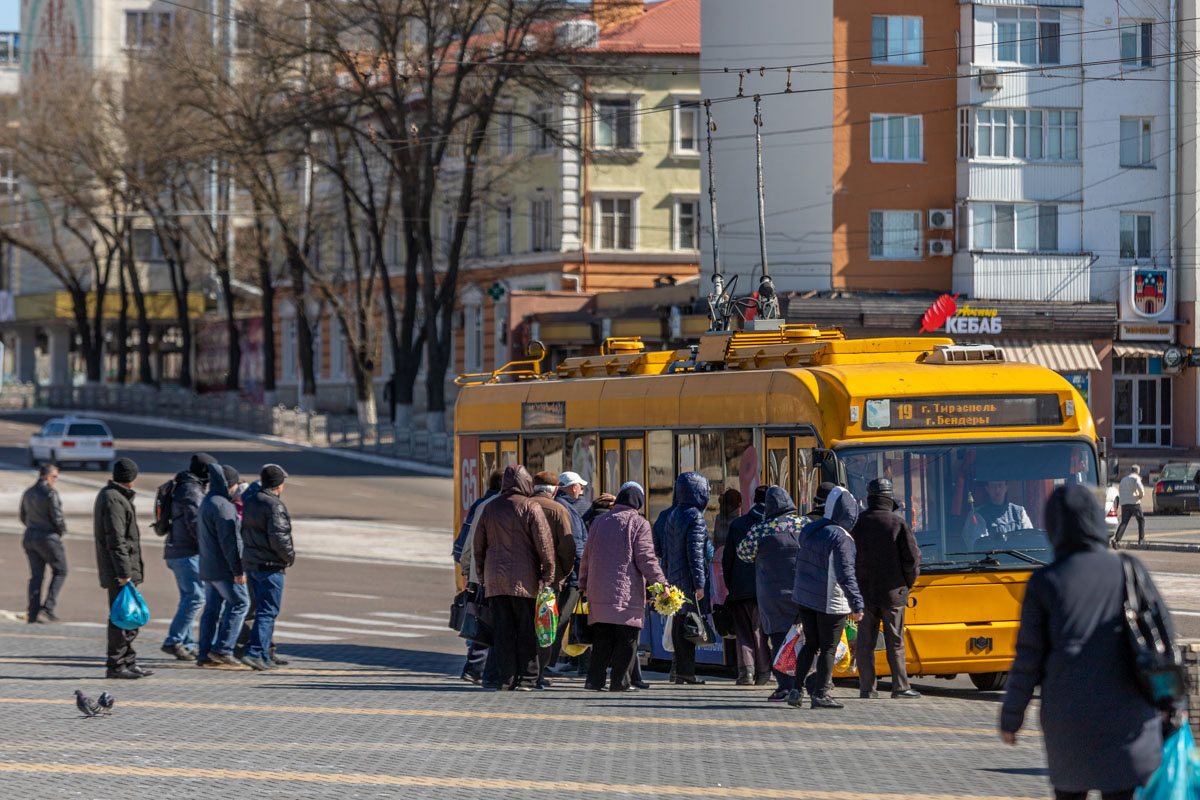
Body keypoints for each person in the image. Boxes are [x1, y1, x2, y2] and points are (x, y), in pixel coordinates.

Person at [1000, 484, 1174, 800]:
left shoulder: (1044, 582)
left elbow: (1028, 660)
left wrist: (1011, 718)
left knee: (1070, 792)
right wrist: (1173, 704)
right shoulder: (1129, 569)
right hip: (1128, 719)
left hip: (1068, 724)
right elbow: (1162, 639)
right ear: (1095, 521)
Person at [473, 465, 556, 691]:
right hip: (526, 581)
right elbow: (544, 544)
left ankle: (506, 679)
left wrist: (482, 575)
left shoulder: (490, 508)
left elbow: (478, 546)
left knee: (503, 632)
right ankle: (527, 679)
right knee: (527, 631)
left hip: (495, 582)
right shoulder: (531, 507)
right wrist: (548, 575)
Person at [579, 482, 667, 692]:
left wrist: (582, 585)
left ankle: (594, 681)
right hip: (625, 592)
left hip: (598, 592)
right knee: (627, 640)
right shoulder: (638, 523)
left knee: (602, 640)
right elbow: (646, 558)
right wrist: (661, 584)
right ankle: (620, 682)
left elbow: (586, 557)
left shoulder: (598, 522)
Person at [789, 487, 864, 709]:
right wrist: (857, 603)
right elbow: (846, 574)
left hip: (804, 597)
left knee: (810, 644)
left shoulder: (810, 530)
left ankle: (795, 689)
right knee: (828, 648)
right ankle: (820, 694)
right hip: (830, 600)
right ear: (850, 513)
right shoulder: (842, 538)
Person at [851, 478, 921, 700]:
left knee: (865, 643)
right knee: (895, 642)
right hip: (893, 594)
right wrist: (906, 583)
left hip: (864, 594)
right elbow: (912, 559)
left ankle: (867, 688)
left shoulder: (856, 524)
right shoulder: (897, 523)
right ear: (889, 499)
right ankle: (900, 687)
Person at [738, 486, 804, 701]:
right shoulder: (805, 525)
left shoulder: (760, 529)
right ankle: (804, 684)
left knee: (778, 640)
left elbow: (744, 554)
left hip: (772, 594)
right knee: (804, 638)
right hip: (802, 591)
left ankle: (784, 686)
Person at [93, 457, 153, 679]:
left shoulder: (115, 497)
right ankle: (116, 665)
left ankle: (128, 660)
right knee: (121, 617)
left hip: (123, 570)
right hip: (120, 572)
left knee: (129, 617)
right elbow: (116, 539)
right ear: (132, 478)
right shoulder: (114, 500)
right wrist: (124, 573)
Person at [654, 471, 712, 686]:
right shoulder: (695, 516)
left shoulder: (673, 514)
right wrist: (700, 584)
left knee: (680, 625)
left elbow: (665, 550)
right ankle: (687, 673)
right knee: (690, 628)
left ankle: (679, 671)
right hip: (688, 579)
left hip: (674, 578)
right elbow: (696, 553)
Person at [159, 453, 217, 660]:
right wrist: (208, 549)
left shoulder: (184, 485)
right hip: (187, 552)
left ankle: (187, 643)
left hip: (179, 550)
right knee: (196, 597)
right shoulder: (192, 490)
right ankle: (173, 641)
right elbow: (196, 525)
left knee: (188, 597)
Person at [195, 464, 250, 669]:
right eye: (236, 484)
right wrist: (238, 570)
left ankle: (204, 653)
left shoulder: (208, 501)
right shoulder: (223, 506)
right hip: (222, 568)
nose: (238, 488)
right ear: (229, 485)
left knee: (212, 609)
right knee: (240, 603)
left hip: (207, 566)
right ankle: (223, 649)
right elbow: (231, 542)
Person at [240, 464, 294, 671]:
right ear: (278, 485)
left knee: (262, 610)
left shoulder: (251, 500)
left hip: (253, 563)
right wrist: (289, 557)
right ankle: (254, 652)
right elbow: (280, 537)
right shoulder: (274, 505)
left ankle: (262, 654)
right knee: (267, 611)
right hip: (271, 565)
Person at [529, 471, 577, 685]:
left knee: (526, 626)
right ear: (555, 490)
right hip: (550, 582)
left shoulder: (523, 505)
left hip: (523, 580)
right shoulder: (558, 509)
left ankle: (524, 671)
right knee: (545, 627)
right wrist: (562, 574)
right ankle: (538, 674)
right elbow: (567, 548)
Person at [456, 471, 503, 684]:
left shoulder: (481, 504)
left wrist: (467, 571)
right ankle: (479, 670)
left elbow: (466, 543)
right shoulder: (498, 505)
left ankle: (475, 669)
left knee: (484, 620)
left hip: (479, 574)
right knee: (491, 622)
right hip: (491, 575)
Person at [722, 485, 770, 686]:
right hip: (765, 588)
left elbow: (728, 559)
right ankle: (764, 672)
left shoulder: (739, 524)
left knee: (743, 632)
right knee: (760, 630)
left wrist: (731, 586)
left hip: (740, 589)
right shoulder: (773, 524)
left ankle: (746, 673)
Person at [21, 463, 67, 624]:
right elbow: (58, 518)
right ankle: (48, 607)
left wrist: (32, 526)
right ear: (48, 477)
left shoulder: (28, 492)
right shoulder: (50, 493)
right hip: (47, 536)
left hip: (30, 535)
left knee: (36, 576)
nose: (55, 480)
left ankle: (32, 612)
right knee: (61, 570)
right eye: (55, 477)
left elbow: (22, 516)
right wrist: (60, 532)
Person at [966, 481, 1033, 548]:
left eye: (1000, 485)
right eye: (993, 486)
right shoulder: (978, 515)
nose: (997, 490)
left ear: (1006, 487)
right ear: (987, 489)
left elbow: (1030, 539)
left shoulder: (1019, 512)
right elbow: (979, 546)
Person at [1113, 465, 1146, 547]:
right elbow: (1140, 487)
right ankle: (1141, 539)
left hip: (1124, 504)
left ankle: (1116, 540)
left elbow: (1120, 489)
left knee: (1124, 522)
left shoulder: (1124, 479)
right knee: (1141, 520)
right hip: (1134, 503)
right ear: (1137, 471)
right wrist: (1141, 495)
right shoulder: (1136, 478)